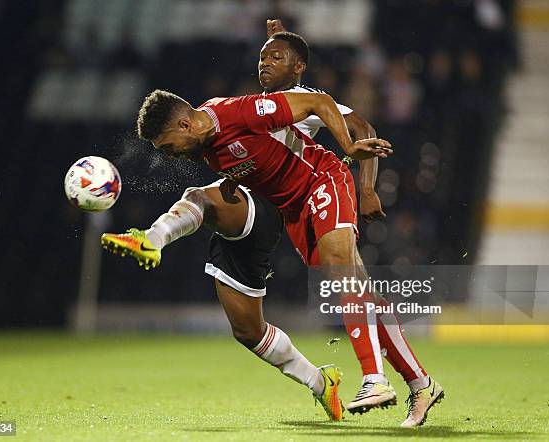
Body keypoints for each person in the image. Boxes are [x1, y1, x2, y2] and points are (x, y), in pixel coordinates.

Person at [103, 28, 442, 428]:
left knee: (341, 270)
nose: (170, 155)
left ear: (183, 125)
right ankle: (421, 384)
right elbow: (254, 159)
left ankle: (374, 379)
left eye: (167, 146)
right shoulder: (221, 133)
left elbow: (328, 106)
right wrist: (235, 180)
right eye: (263, 57)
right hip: (293, 211)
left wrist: (360, 173)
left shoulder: (242, 110)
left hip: (323, 179)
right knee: (353, 290)